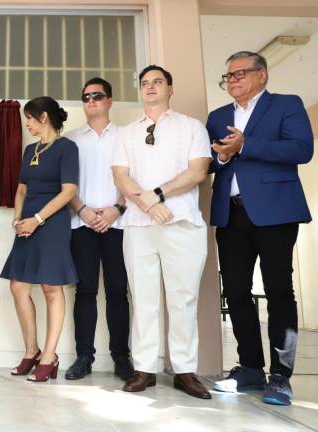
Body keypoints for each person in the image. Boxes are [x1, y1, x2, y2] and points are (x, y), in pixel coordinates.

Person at [208, 51, 313, 406]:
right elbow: (211, 161)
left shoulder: (286, 105)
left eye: (240, 73)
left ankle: (280, 376)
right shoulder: (218, 116)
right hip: (230, 214)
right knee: (236, 291)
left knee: (279, 290)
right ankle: (250, 368)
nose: (233, 80)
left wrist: (247, 145)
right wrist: (221, 157)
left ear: (262, 75)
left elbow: (302, 149)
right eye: (228, 76)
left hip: (275, 212)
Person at [112, 65, 211, 399]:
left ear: (170, 88)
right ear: (140, 91)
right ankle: (144, 368)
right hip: (140, 226)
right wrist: (149, 205)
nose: (150, 87)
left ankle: (184, 370)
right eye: (144, 83)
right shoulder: (126, 133)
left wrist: (158, 195)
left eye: (157, 82)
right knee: (143, 299)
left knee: (183, 299)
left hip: (182, 223)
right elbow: (121, 177)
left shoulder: (191, 127)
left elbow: (197, 171)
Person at [0, 96, 79, 383]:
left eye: (30, 119)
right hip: (28, 223)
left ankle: (49, 356)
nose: (28, 124)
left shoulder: (67, 148)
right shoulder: (30, 150)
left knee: (50, 287)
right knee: (19, 285)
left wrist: (38, 220)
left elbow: (68, 192)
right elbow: (21, 189)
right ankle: (31, 351)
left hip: (52, 222)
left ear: (44, 117)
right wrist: (18, 218)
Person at [63, 78, 133, 381]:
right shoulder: (71, 138)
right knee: (86, 290)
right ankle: (84, 357)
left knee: (118, 291)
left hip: (118, 223)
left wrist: (117, 209)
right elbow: (64, 185)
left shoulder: (127, 137)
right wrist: (83, 209)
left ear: (110, 101)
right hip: (82, 222)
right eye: (86, 97)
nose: (91, 101)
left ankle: (122, 358)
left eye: (97, 96)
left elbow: (134, 179)